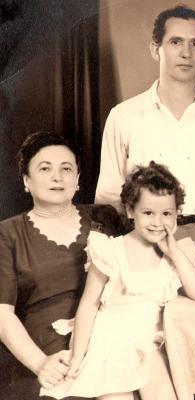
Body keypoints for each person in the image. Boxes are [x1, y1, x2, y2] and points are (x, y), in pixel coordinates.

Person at [95, 5, 195, 281]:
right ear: (156, 49)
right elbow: (108, 197)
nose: (186, 53)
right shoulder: (124, 116)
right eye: (175, 42)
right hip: (140, 241)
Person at [42, 161, 195, 400]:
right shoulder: (111, 251)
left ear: (177, 213)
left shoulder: (175, 253)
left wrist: (174, 253)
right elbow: (88, 305)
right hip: (111, 341)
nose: (158, 222)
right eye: (148, 213)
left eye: (166, 214)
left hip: (150, 343)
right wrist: (77, 355)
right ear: (131, 211)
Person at [0, 131, 124, 400]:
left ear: (77, 180)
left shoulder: (105, 217)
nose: (57, 177)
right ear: (26, 181)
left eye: (66, 169)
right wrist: (40, 364)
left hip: (109, 339)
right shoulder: (7, 234)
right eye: (45, 169)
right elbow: (2, 313)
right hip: (45, 353)